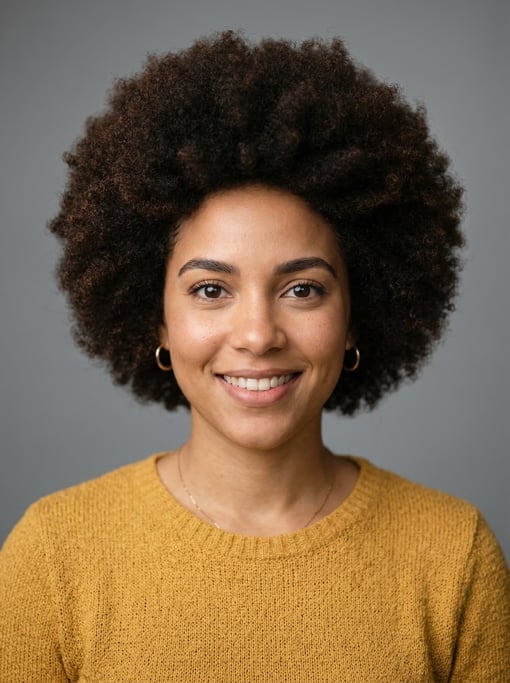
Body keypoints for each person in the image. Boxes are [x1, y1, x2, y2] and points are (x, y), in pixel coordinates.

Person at [1, 31, 508, 681]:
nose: (258, 333)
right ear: (156, 317)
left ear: (356, 317)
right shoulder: (52, 554)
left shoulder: (453, 556)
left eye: (302, 288)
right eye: (211, 289)